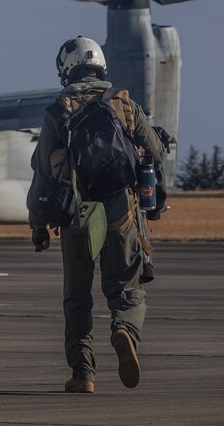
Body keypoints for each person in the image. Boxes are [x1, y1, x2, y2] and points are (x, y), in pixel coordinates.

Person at [27, 36, 167, 393]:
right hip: (120, 207)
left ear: (66, 69)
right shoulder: (124, 105)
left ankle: (83, 373)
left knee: (78, 295)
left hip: (76, 211)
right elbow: (156, 154)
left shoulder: (58, 111)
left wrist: (39, 225)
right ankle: (124, 329)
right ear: (101, 66)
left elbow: (42, 172)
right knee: (126, 287)